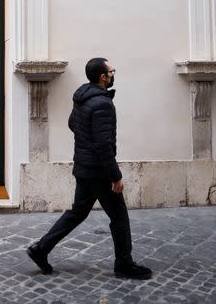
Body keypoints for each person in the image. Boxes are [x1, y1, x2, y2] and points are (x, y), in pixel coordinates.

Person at [27, 57, 152, 280]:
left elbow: (72, 124)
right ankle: (124, 264)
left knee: (77, 213)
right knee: (119, 217)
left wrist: (86, 142)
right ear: (103, 77)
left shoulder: (82, 98)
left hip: (84, 167)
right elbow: (103, 145)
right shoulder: (102, 103)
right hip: (99, 172)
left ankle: (40, 249)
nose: (114, 74)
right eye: (111, 71)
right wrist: (116, 176)